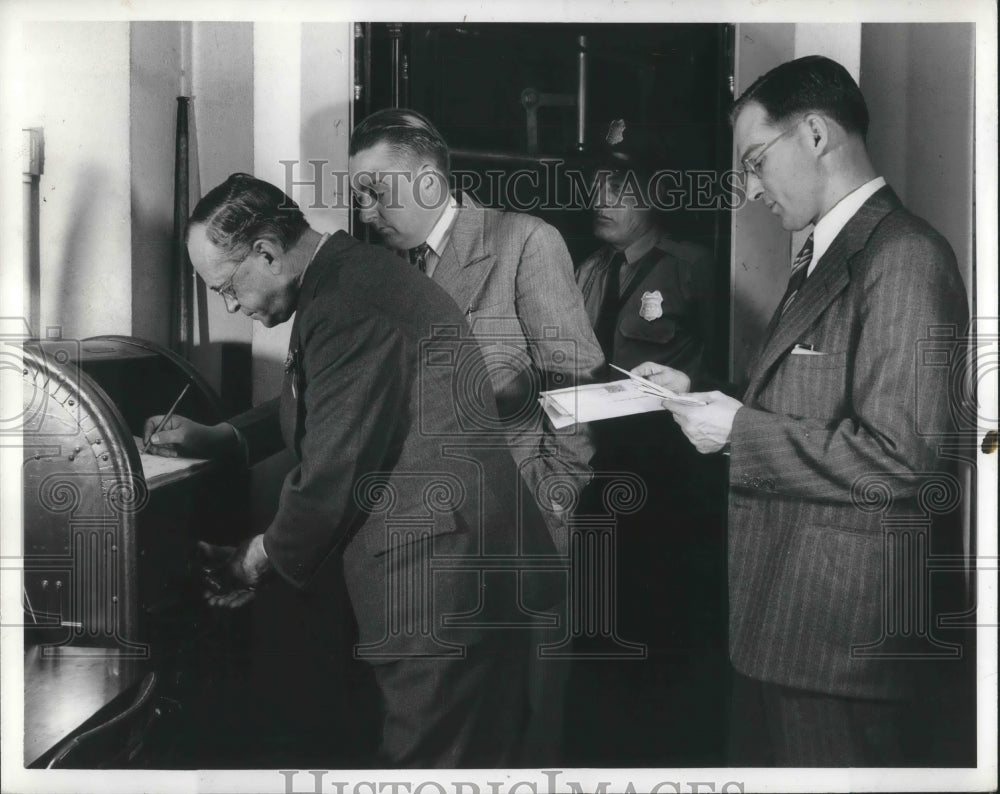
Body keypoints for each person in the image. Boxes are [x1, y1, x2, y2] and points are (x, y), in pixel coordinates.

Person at [143, 173, 560, 768]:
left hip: (444, 585)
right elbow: (324, 396)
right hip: (451, 572)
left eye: (227, 287)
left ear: (266, 251)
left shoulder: (348, 304)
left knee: (428, 770)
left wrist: (251, 560)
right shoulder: (344, 279)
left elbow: (332, 473)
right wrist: (225, 436)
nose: (231, 305)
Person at [636, 55, 969, 766]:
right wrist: (699, 387)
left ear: (816, 134)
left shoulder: (905, 255)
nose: (751, 188)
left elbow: (904, 459)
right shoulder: (830, 249)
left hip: (841, 646)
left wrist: (738, 432)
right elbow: (797, 391)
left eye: (757, 162)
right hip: (787, 627)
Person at [348, 109, 605, 764]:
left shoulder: (524, 241)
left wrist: (555, 494)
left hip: (519, 526)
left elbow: (577, 378)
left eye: (377, 190)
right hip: (425, 543)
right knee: (448, 727)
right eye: (359, 194)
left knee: (526, 723)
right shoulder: (389, 270)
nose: (366, 210)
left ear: (429, 180)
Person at [575, 120, 727, 655]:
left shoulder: (692, 268)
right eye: (597, 184)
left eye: (619, 187)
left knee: (658, 615)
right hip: (598, 464)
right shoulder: (590, 270)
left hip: (667, 475)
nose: (600, 198)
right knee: (600, 608)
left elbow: (726, 367)